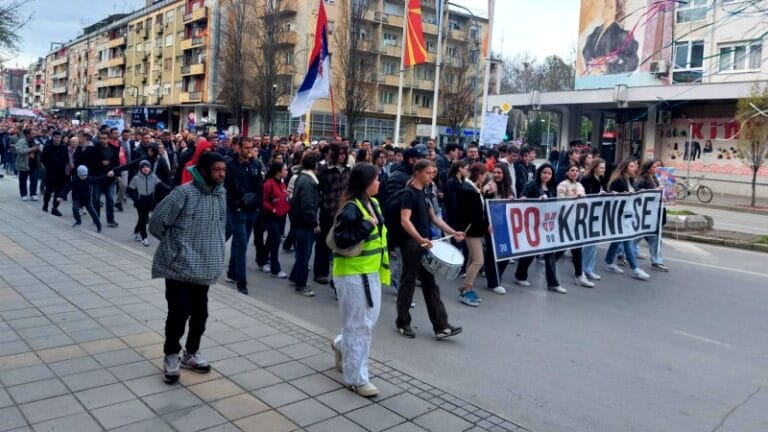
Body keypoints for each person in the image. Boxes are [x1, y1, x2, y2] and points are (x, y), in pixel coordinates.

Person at [149, 151, 227, 383]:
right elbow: (156, 223)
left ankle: (191, 353)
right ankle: (171, 355)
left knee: (200, 314)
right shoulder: (182, 193)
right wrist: (177, 246)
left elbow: (222, 225)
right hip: (178, 267)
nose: (222, 174)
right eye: (217, 170)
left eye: (224, 170)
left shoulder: (221, 195)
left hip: (204, 267)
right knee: (179, 312)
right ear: (203, 171)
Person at [330, 163, 390, 398]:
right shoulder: (351, 209)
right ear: (365, 183)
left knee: (366, 322)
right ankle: (356, 378)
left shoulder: (372, 203)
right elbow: (342, 240)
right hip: (353, 276)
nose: (379, 183)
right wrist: (365, 226)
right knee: (360, 326)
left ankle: (341, 345)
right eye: (376, 179)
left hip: (369, 273)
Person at [396, 159, 465, 339]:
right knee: (408, 283)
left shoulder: (425, 192)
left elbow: (434, 218)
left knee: (430, 283)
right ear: (417, 172)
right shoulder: (408, 193)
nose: (431, 176)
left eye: (433, 173)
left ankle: (441, 325)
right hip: (412, 244)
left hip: (426, 244)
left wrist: (453, 232)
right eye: (428, 173)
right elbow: (405, 220)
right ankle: (403, 322)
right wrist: (419, 238)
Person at [514, 164, 566, 293]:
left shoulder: (552, 187)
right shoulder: (531, 185)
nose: (546, 175)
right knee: (530, 252)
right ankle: (520, 275)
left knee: (550, 254)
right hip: (532, 224)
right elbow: (522, 200)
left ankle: (553, 283)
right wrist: (537, 200)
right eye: (544, 172)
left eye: (549, 173)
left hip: (547, 224)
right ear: (539, 173)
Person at [224, 136, 263, 295]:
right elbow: (226, 188)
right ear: (238, 148)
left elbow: (259, 187)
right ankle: (242, 281)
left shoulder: (255, 164)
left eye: (251, 147)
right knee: (241, 245)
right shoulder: (229, 165)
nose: (249, 150)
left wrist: (256, 204)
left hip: (251, 210)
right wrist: (237, 204)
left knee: (242, 243)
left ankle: (232, 272)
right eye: (246, 147)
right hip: (236, 210)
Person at [604, 158, 651, 281]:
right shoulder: (618, 180)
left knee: (617, 240)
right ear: (625, 168)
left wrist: (640, 192)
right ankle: (635, 269)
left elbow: (633, 194)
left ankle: (609, 262)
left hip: (629, 214)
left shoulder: (631, 180)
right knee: (627, 241)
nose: (635, 168)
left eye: (635, 166)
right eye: (632, 166)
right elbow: (611, 196)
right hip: (619, 215)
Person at [314, 143, 351, 286]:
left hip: (343, 212)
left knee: (340, 245)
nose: (342, 157)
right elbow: (318, 189)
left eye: (344, 154)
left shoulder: (348, 170)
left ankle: (338, 275)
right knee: (323, 244)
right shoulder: (324, 170)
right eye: (339, 154)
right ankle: (320, 273)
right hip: (327, 211)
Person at [556, 164, 595, 288]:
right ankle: (549, 264)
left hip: (578, 220)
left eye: (577, 171)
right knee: (562, 247)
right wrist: (573, 198)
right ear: (567, 172)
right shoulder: (562, 185)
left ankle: (579, 275)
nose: (574, 173)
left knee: (576, 248)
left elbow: (585, 201)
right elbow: (560, 202)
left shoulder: (579, 185)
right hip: (565, 220)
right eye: (572, 170)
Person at [456, 163, 490, 306]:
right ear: (480, 175)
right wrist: (486, 225)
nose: (486, 178)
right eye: (485, 175)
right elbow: (474, 214)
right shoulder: (470, 190)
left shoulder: (471, 188)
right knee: (478, 260)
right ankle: (466, 289)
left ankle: (467, 287)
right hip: (472, 230)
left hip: (474, 229)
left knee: (472, 260)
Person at [288, 151, 321, 296]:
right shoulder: (308, 182)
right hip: (304, 223)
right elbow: (307, 206)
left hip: (300, 222)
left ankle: (294, 276)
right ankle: (301, 284)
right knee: (304, 254)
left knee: (302, 252)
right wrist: (315, 223)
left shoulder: (304, 178)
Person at [582, 0, 639, 75]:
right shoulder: (594, 33)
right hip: (592, 80)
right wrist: (591, 67)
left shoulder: (623, 35)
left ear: (616, 11)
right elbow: (585, 54)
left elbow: (632, 63)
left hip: (610, 83)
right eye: (605, 5)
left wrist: (608, 68)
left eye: (610, 6)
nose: (605, 9)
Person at [484, 163, 515, 294]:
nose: (496, 175)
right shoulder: (489, 186)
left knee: (506, 253)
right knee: (492, 253)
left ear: (505, 174)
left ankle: (496, 276)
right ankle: (494, 282)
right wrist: (488, 223)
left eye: (499, 172)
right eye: (494, 172)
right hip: (492, 225)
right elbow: (485, 206)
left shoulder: (509, 188)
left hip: (505, 224)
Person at [127, 160, 170, 247]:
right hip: (140, 203)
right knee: (143, 220)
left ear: (150, 168)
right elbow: (130, 190)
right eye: (143, 167)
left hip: (149, 202)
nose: (145, 169)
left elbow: (161, 184)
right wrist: (136, 199)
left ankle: (136, 232)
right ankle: (144, 238)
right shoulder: (136, 178)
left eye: (147, 167)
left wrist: (170, 189)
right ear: (140, 169)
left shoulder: (153, 177)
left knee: (142, 219)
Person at [636, 159, 669, 272]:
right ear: (649, 168)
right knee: (636, 237)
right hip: (646, 213)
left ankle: (656, 261)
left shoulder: (655, 178)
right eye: (655, 167)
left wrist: (662, 197)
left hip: (654, 212)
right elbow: (640, 194)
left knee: (653, 237)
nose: (658, 169)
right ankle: (622, 253)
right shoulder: (642, 180)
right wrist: (655, 191)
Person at [580, 157, 607, 281]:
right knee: (588, 243)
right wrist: (597, 196)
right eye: (601, 167)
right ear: (595, 168)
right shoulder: (586, 180)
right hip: (588, 214)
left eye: (604, 167)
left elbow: (606, 192)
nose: (603, 170)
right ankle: (582, 268)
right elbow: (584, 196)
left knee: (594, 242)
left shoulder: (602, 179)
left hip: (598, 213)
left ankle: (589, 268)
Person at [262, 161, 290, 279]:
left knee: (271, 239)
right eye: (285, 170)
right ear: (278, 172)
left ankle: (262, 260)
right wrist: (273, 209)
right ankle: (275, 268)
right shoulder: (269, 184)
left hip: (281, 216)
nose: (287, 172)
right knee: (275, 240)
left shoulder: (282, 183)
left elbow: (283, 197)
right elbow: (263, 200)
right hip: (271, 216)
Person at [57, 165, 104, 232]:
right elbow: (67, 188)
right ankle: (78, 221)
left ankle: (98, 224)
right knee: (75, 209)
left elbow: (98, 179)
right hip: (76, 198)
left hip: (86, 199)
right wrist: (61, 196)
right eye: (82, 175)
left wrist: (107, 176)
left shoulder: (89, 179)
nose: (84, 177)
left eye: (85, 175)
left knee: (91, 211)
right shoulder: (74, 181)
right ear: (78, 175)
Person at [40, 131, 69, 216]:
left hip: (60, 172)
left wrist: (61, 163)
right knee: (49, 189)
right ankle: (45, 204)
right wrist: (48, 165)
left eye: (59, 137)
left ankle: (55, 208)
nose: (57, 139)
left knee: (58, 190)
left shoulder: (64, 147)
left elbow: (67, 159)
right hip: (50, 171)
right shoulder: (48, 147)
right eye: (56, 137)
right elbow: (42, 159)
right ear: (52, 137)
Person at [15, 127, 42, 201]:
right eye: (32, 133)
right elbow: (19, 150)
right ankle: (23, 194)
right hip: (24, 164)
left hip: (34, 164)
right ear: (27, 134)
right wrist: (31, 149)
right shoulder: (21, 141)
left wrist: (40, 149)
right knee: (23, 180)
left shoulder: (36, 141)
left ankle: (33, 194)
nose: (34, 134)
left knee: (34, 180)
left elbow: (42, 148)